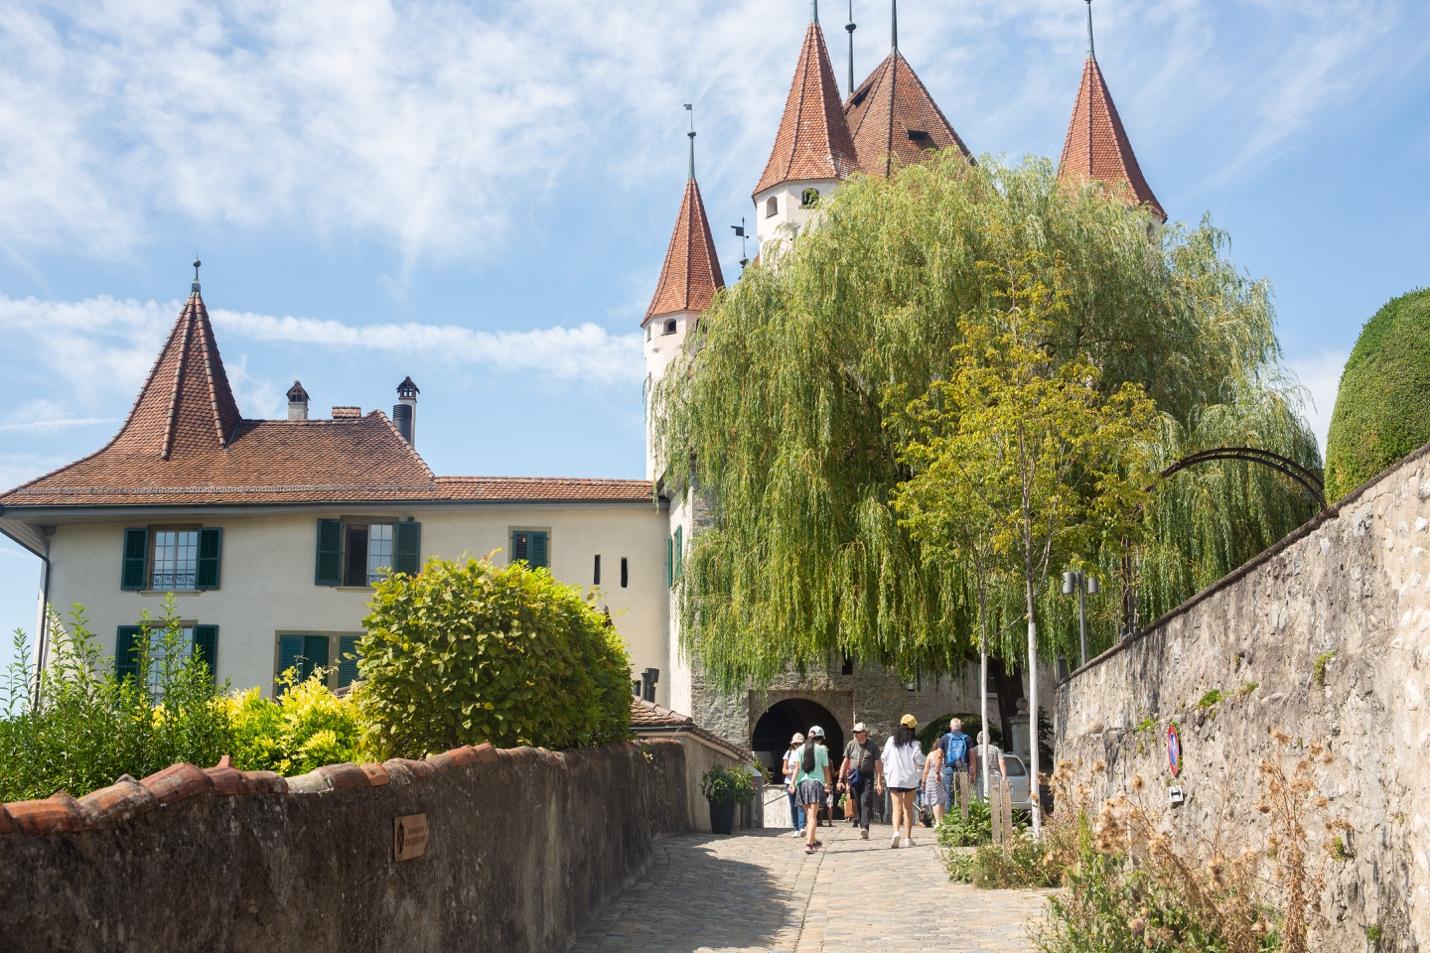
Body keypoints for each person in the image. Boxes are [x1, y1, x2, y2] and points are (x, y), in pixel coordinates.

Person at [881, 714, 925, 849]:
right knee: (908, 808)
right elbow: (919, 760)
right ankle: (908, 838)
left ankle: (895, 832)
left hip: (894, 778)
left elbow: (884, 757)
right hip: (910, 779)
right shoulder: (915, 743)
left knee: (896, 807)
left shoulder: (891, 740)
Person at [838, 721, 883, 840]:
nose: (856, 734)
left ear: (864, 733)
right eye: (854, 732)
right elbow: (845, 762)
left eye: (858, 732)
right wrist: (840, 779)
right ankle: (862, 825)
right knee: (858, 801)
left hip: (867, 776)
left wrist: (879, 782)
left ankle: (865, 827)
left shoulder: (872, 746)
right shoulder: (851, 745)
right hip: (854, 776)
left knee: (865, 800)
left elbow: (878, 764)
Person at [793, 725, 833, 854]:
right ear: (821, 738)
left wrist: (792, 783)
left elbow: (797, 768)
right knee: (812, 816)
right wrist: (827, 784)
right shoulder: (822, 750)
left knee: (808, 816)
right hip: (816, 784)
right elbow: (826, 769)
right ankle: (809, 844)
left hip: (802, 784)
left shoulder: (799, 749)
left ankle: (814, 840)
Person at [938, 717, 972, 814]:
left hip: (948, 769)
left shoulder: (944, 738)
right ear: (960, 727)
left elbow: (939, 756)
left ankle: (950, 821)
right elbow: (972, 755)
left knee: (948, 796)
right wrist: (972, 771)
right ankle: (963, 819)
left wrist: (937, 772)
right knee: (963, 794)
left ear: (950, 727)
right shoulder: (967, 738)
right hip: (963, 769)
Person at [970, 729, 1008, 799]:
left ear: (978, 739)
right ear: (988, 739)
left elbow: (973, 765)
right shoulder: (996, 749)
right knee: (995, 798)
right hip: (995, 774)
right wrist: (1004, 777)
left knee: (981, 798)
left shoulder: (975, 750)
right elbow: (1002, 763)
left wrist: (973, 778)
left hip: (980, 775)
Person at [920, 734, 947, 824]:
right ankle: (942, 820)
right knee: (942, 800)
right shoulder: (945, 754)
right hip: (944, 776)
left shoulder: (931, 755)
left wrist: (923, 782)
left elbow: (926, 770)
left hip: (932, 778)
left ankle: (938, 822)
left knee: (935, 801)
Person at [783, 733, 806, 837]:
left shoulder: (805, 753)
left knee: (801, 805)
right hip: (789, 783)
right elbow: (783, 770)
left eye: (800, 743)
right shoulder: (788, 753)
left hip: (801, 782)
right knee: (793, 806)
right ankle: (796, 828)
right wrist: (791, 772)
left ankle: (802, 827)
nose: (797, 745)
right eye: (796, 743)